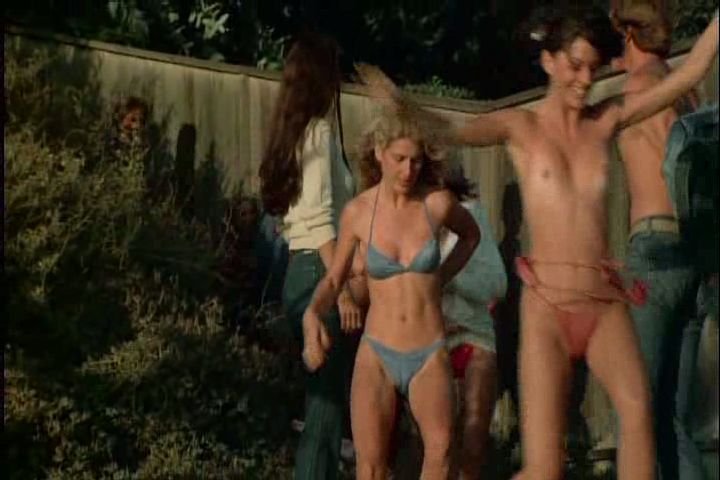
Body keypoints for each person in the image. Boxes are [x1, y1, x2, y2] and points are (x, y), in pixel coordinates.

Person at [357, 5, 719, 480]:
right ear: (549, 61)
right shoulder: (521, 128)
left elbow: (691, 71)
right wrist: (400, 104)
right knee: (543, 469)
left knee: (637, 411)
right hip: (546, 307)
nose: (585, 79)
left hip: (602, 303)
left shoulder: (606, 120)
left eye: (592, 68)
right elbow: (449, 130)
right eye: (575, 65)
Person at [301, 107, 481, 479]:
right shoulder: (358, 212)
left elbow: (471, 236)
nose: (407, 170)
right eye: (399, 159)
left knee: (441, 451)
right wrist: (311, 315)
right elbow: (334, 280)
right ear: (379, 152)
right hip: (378, 352)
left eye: (416, 161)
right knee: (370, 467)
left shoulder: (436, 204)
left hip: (428, 349)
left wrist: (440, 277)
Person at [610, 5, 708, 478]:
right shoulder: (687, 94)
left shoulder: (637, 90)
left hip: (652, 250)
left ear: (629, 35)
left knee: (634, 409)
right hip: (694, 257)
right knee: (673, 420)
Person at [258, 32, 361, 480]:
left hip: (299, 271)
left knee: (323, 409)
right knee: (324, 415)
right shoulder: (317, 134)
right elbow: (319, 221)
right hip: (320, 271)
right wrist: (340, 289)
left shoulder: (292, 135)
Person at [440, 168, 507, 479]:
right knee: (435, 443)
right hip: (430, 341)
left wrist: (449, 278)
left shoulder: (471, 216)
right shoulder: (410, 217)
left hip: (473, 335)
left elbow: (497, 284)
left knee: (474, 437)